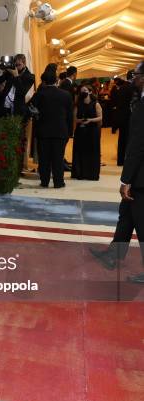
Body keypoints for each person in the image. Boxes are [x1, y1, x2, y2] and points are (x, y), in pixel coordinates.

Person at [90, 61, 144, 283]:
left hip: (141, 176)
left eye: (136, 75)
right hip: (140, 174)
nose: (133, 79)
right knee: (127, 216)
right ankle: (113, 255)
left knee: (141, 222)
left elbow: (137, 145)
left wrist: (126, 179)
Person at [30, 66, 73, 188]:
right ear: (57, 81)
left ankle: (44, 181)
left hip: (43, 131)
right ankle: (58, 182)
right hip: (60, 131)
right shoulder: (66, 95)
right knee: (58, 158)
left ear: (44, 81)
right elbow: (70, 116)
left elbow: (29, 108)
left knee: (44, 159)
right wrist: (70, 132)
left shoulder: (39, 94)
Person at [71, 84, 102, 180]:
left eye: (85, 90)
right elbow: (75, 118)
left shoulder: (95, 103)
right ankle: (80, 173)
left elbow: (100, 117)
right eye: (81, 91)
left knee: (92, 151)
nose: (83, 92)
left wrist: (90, 120)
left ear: (90, 92)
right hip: (81, 130)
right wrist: (81, 121)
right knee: (80, 151)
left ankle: (91, 173)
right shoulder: (78, 104)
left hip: (92, 131)